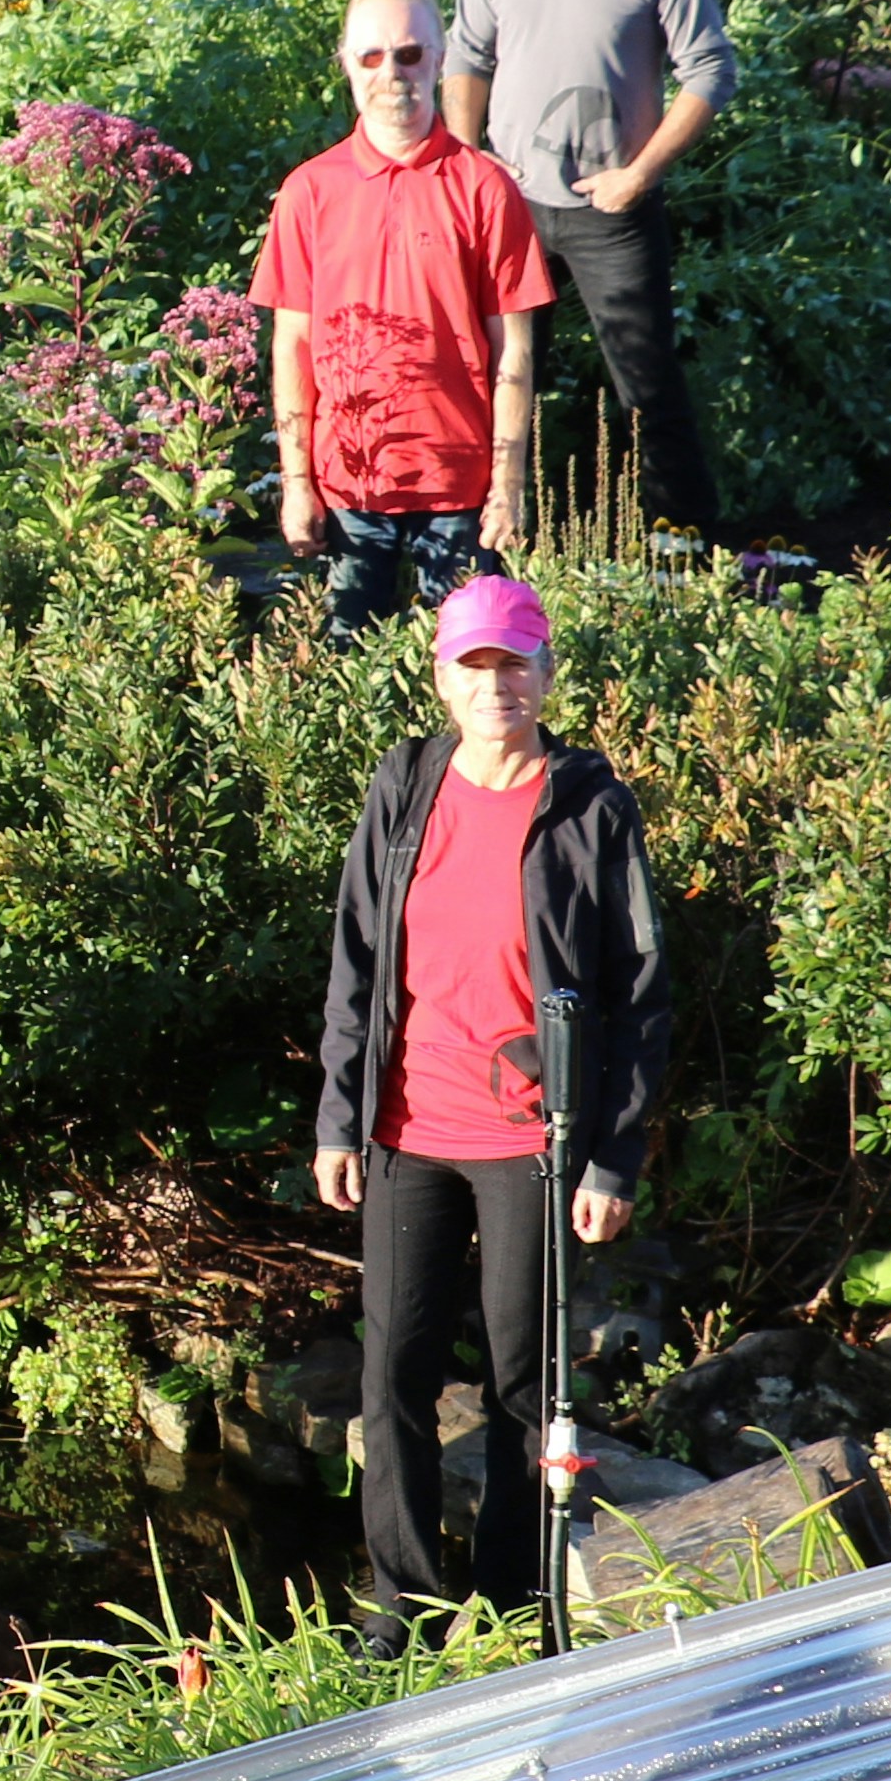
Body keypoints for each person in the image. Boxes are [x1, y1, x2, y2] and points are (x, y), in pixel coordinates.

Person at [308, 572, 669, 1649]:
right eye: (476, 665)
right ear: (442, 680)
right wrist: (339, 1117)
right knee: (393, 1377)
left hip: (533, 1143)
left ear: (547, 674)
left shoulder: (591, 806)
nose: (496, 683)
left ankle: (513, 1608)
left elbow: (641, 994)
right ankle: (400, 1611)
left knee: (520, 1383)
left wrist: (613, 1158)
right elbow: (356, 958)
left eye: (515, 662)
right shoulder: (406, 785)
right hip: (409, 1129)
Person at [444, 0, 734, 534]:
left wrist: (640, 175)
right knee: (492, 373)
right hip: (510, 204)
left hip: (615, 207)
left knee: (646, 385)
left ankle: (687, 551)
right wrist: (471, 164)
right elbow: (464, 59)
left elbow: (711, 71)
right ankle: (482, 540)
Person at [260, 0, 557, 634]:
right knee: (348, 677)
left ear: (441, 59)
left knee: (473, 670)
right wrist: (298, 484)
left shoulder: (485, 188)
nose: (391, 72)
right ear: (345, 62)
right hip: (349, 488)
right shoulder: (310, 191)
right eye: (371, 56)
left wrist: (506, 483)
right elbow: (293, 347)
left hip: (458, 486)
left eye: (410, 54)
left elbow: (514, 347)